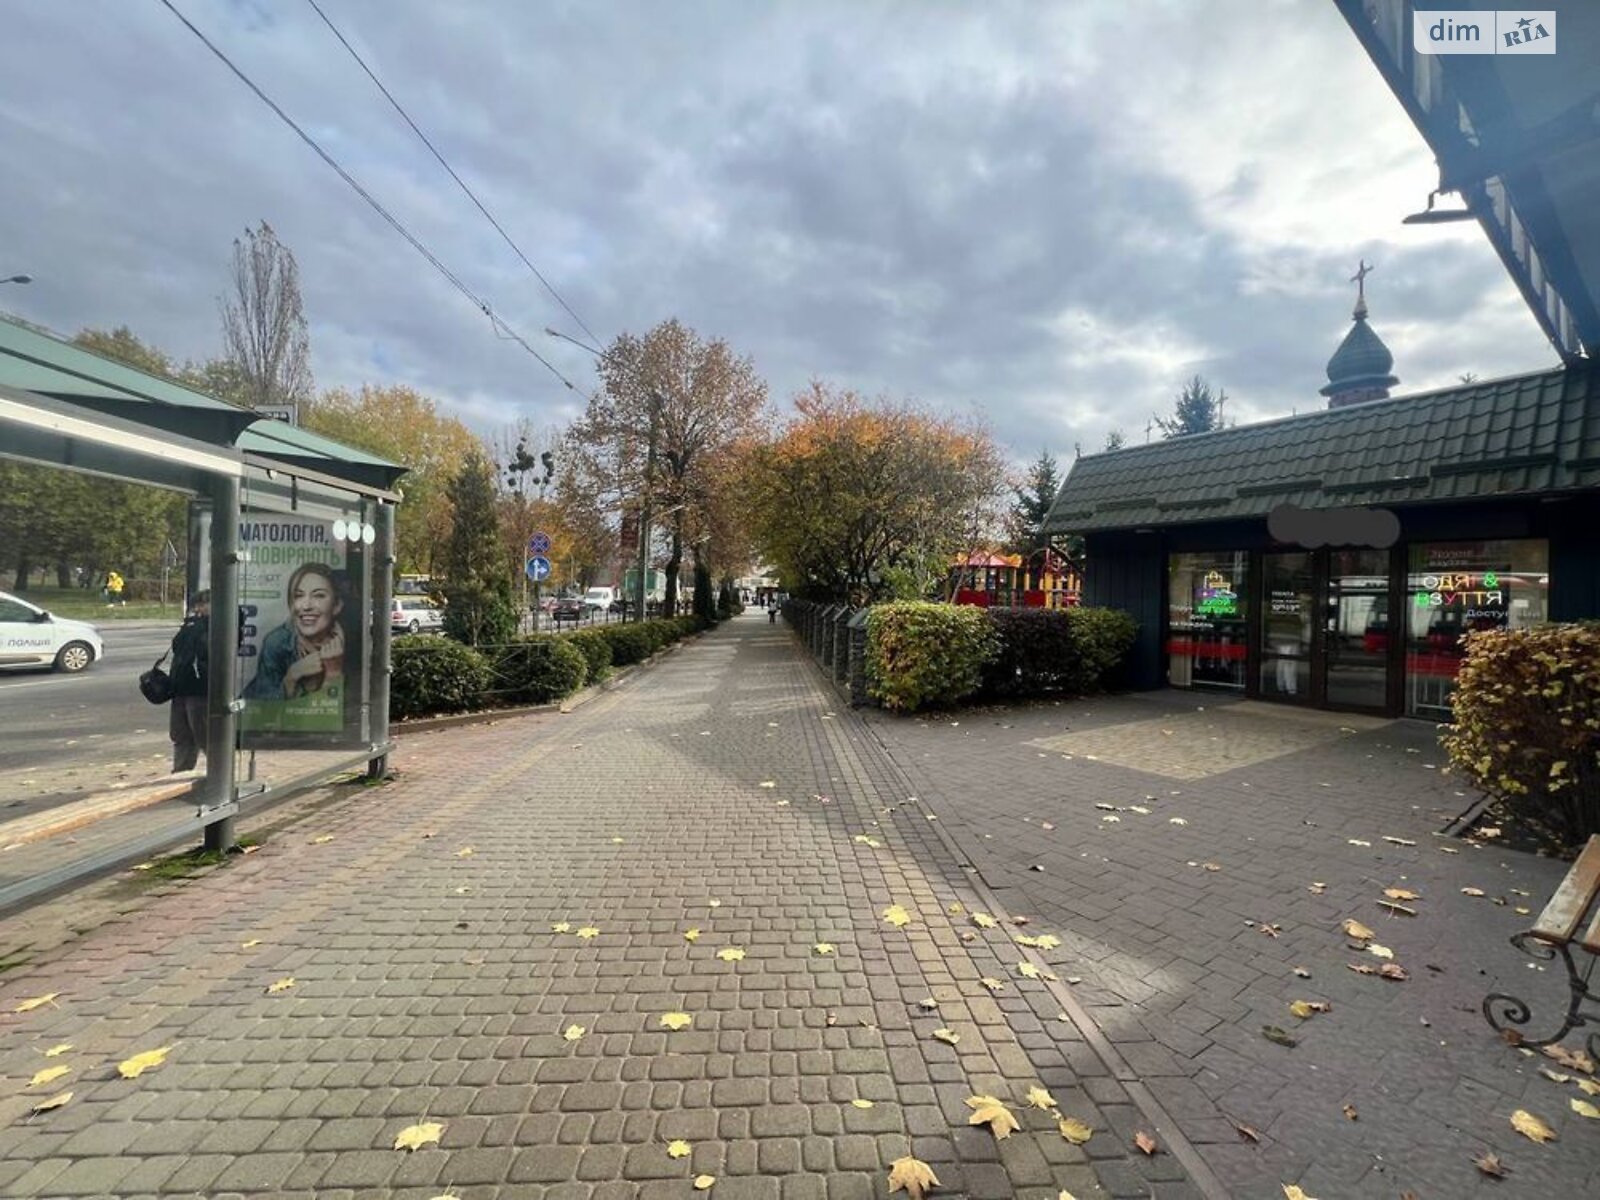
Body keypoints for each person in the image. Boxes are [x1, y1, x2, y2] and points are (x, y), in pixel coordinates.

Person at [244, 563, 347, 700]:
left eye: (319, 596)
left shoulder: (354, 643)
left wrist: (333, 672)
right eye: (298, 596)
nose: (306, 606)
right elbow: (265, 705)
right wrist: (291, 677)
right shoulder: (276, 642)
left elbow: (338, 707)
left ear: (337, 605)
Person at [169, 591, 210, 772]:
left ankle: (219, 772)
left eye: (203, 604)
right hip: (181, 686)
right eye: (196, 605)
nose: (198, 609)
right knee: (181, 733)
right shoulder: (191, 625)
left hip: (200, 687)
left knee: (203, 734)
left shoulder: (219, 625)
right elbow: (177, 646)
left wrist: (197, 625)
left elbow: (204, 649)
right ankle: (181, 770)